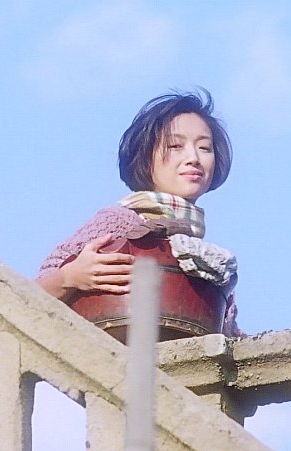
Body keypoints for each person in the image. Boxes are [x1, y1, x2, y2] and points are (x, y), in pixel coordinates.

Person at [35, 89, 243, 337]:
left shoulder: (209, 262)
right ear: (145, 157)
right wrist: (70, 277)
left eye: (204, 148)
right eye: (175, 146)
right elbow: (24, 296)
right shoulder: (120, 221)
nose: (193, 158)